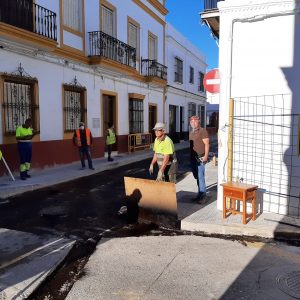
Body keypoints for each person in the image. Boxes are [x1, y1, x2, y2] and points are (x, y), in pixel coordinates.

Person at [189, 115, 210, 202]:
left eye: (195, 121)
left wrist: (205, 156)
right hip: (193, 158)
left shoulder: (203, 131)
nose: (193, 123)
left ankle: (203, 196)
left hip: (200, 158)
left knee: (201, 177)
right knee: (196, 176)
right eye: (191, 121)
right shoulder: (191, 132)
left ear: (199, 122)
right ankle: (199, 194)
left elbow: (207, 144)